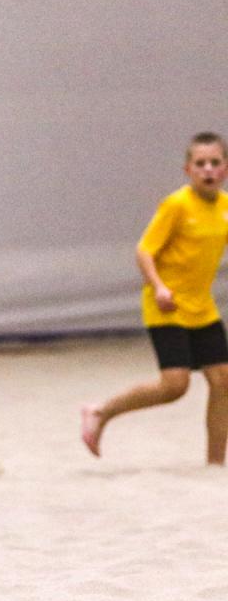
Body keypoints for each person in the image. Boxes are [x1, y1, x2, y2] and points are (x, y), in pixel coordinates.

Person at [82, 132, 228, 465]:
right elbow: (144, 251)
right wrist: (159, 287)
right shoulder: (177, 205)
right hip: (167, 306)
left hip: (202, 308)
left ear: (225, 168)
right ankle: (101, 412)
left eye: (214, 162)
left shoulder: (225, 208)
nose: (208, 169)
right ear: (188, 170)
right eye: (200, 163)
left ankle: (216, 464)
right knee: (175, 385)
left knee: (223, 381)